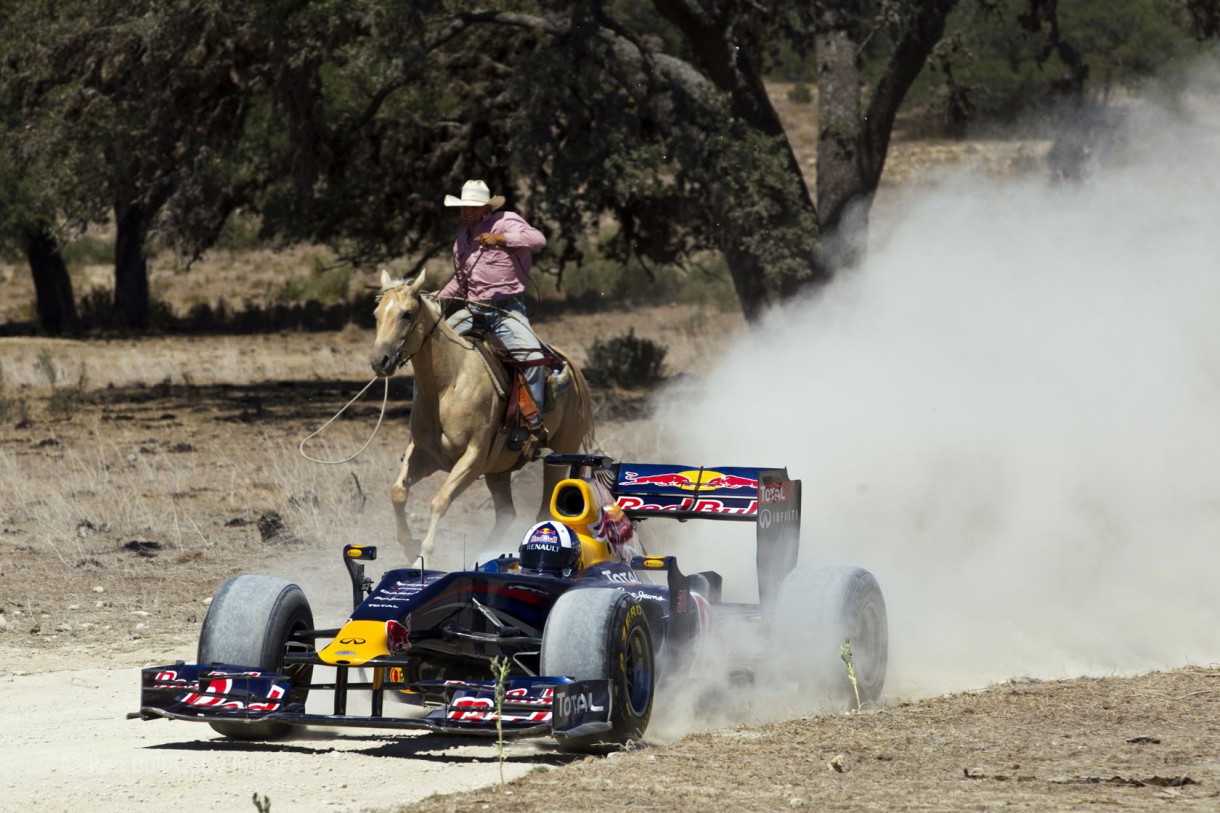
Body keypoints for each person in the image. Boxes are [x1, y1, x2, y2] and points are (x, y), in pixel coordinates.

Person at [438, 179, 548, 450]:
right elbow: (459, 281)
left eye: (474, 207)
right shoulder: (461, 240)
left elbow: (539, 239)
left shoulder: (506, 222)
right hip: (473, 310)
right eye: (464, 207)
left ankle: (530, 424)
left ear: (486, 207)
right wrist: (433, 300)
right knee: (435, 346)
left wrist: (501, 239)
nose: (468, 212)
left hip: (506, 309)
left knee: (533, 358)